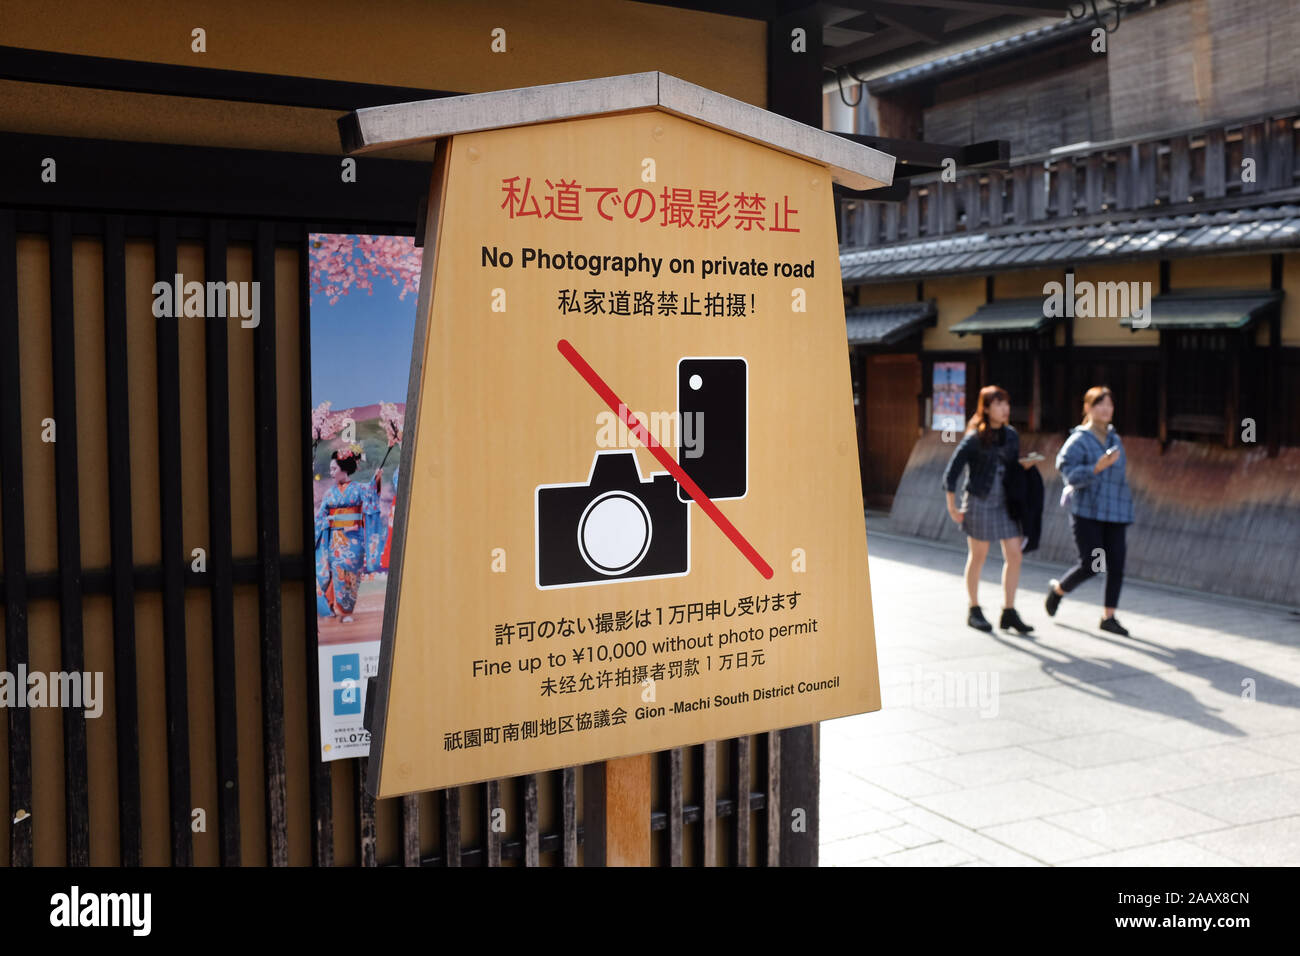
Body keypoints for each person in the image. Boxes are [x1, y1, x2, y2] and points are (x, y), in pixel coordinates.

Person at [941, 385, 1039, 634]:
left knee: (1015, 554)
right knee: (979, 556)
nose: (1004, 408)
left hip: (1005, 502)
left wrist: (1025, 466)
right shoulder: (974, 439)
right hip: (979, 501)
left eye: (1006, 403)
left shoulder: (1012, 435)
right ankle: (974, 608)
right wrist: (952, 506)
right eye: (998, 404)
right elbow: (951, 473)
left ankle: (1009, 611)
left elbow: (1011, 469)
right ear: (985, 408)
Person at [1046, 386, 1135, 635]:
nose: (1106, 409)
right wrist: (1095, 468)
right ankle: (1059, 590)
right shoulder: (1078, 440)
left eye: (1109, 404)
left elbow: (1120, 478)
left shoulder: (1115, 440)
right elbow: (1067, 474)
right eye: (1099, 404)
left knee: (1116, 564)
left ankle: (1109, 616)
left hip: (1116, 512)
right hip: (1087, 513)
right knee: (1093, 564)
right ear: (1087, 408)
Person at [315, 446, 385, 623]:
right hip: (336, 539)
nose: (331, 472)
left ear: (344, 469)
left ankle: (346, 611)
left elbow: (371, 497)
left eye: (334, 469)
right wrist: (327, 524)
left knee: (350, 575)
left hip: (354, 539)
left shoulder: (359, 489)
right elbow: (321, 516)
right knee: (334, 572)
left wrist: (376, 479)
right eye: (330, 469)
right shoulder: (329, 493)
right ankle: (333, 607)